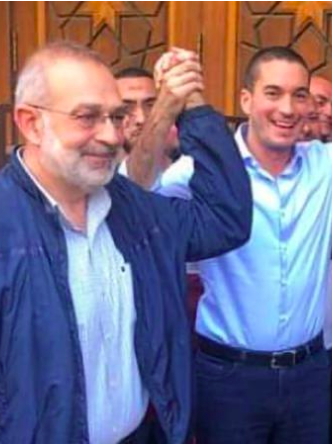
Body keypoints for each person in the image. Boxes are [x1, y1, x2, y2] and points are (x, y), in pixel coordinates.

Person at [154, 36, 332, 441]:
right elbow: (135, 202)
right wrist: (169, 100)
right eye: (273, 93)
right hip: (228, 377)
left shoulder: (328, 165)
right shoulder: (197, 172)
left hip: (307, 374)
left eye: (299, 95)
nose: (287, 108)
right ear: (246, 100)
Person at [0, 41, 251, 443]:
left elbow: (224, 219)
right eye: (87, 117)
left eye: (115, 117)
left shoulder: (135, 211)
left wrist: (193, 105)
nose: (110, 135)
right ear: (31, 123)